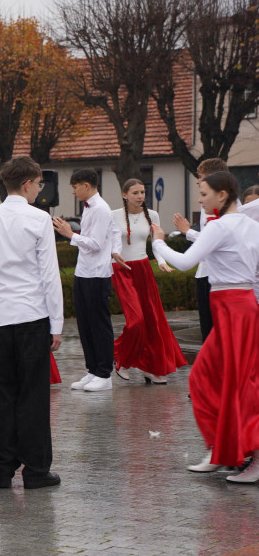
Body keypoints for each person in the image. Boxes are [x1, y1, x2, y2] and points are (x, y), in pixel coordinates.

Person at [151, 171, 259, 483]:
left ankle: (251, 460)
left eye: (205, 193)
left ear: (222, 195)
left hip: (234, 309)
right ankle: (220, 449)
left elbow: (185, 263)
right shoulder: (249, 226)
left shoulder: (221, 225)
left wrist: (158, 243)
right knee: (206, 379)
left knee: (241, 386)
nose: (200, 200)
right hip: (237, 308)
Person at [0, 156, 64, 490]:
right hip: (32, 315)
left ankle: (2, 468)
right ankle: (36, 470)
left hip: (1, 318)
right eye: (39, 184)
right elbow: (49, 275)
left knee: (4, 395)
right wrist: (56, 323)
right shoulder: (39, 218)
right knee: (33, 395)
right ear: (27, 183)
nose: (39, 190)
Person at [53, 169, 127, 392]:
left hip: (97, 274)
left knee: (99, 325)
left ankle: (104, 373)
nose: (73, 192)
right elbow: (114, 232)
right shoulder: (91, 208)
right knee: (85, 324)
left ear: (86, 185)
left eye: (75, 187)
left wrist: (70, 234)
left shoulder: (101, 209)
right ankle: (93, 369)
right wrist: (115, 250)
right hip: (83, 272)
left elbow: (94, 244)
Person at [110, 179, 187, 384]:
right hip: (121, 270)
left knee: (153, 321)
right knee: (136, 321)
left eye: (143, 192)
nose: (140, 196)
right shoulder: (113, 216)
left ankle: (150, 367)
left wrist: (161, 261)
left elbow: (156, 242)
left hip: (144, 269)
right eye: (135, 192)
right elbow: (107, 243)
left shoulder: (152, 214)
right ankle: (121, 360)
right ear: (125, 195)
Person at [173, 158, 229, 343]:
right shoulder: (207, 203)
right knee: (209, 330)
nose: (197, 181)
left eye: (200, 177)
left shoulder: (220, 204)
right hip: (204, 272)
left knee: (213, 330)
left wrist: (187, 232)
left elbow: (213, 242)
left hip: (212, 274)